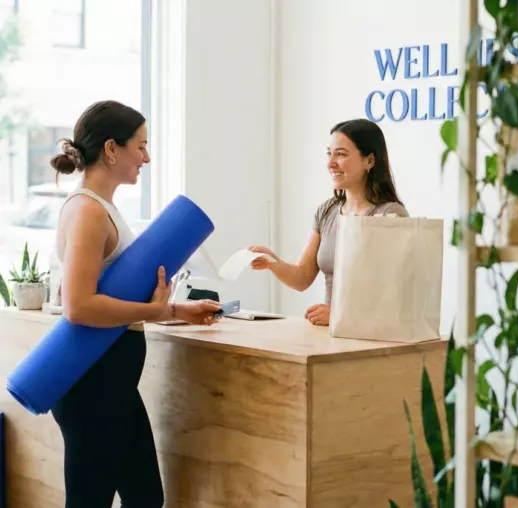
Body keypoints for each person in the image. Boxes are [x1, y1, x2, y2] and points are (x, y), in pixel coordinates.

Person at [49, 100, 221, 508]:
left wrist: (177, 310)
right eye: (140, 146)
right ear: (112, 148)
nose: (146, 157)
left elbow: (112, 298)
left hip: (113, 380)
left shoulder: (101, 208)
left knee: (145, 497)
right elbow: (78, 306)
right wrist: (160, 311)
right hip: (93, 382)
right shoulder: (89, 211)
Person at [249, 118, 408, 326]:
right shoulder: (327, 211)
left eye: (340, 154)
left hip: (369, 336)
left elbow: (394, 295)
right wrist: (272, 262)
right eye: (329, 153)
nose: (330, 163)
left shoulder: (391, 214)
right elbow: (303, 277)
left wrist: (339, 314)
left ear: (370, 160)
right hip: (330, 333)